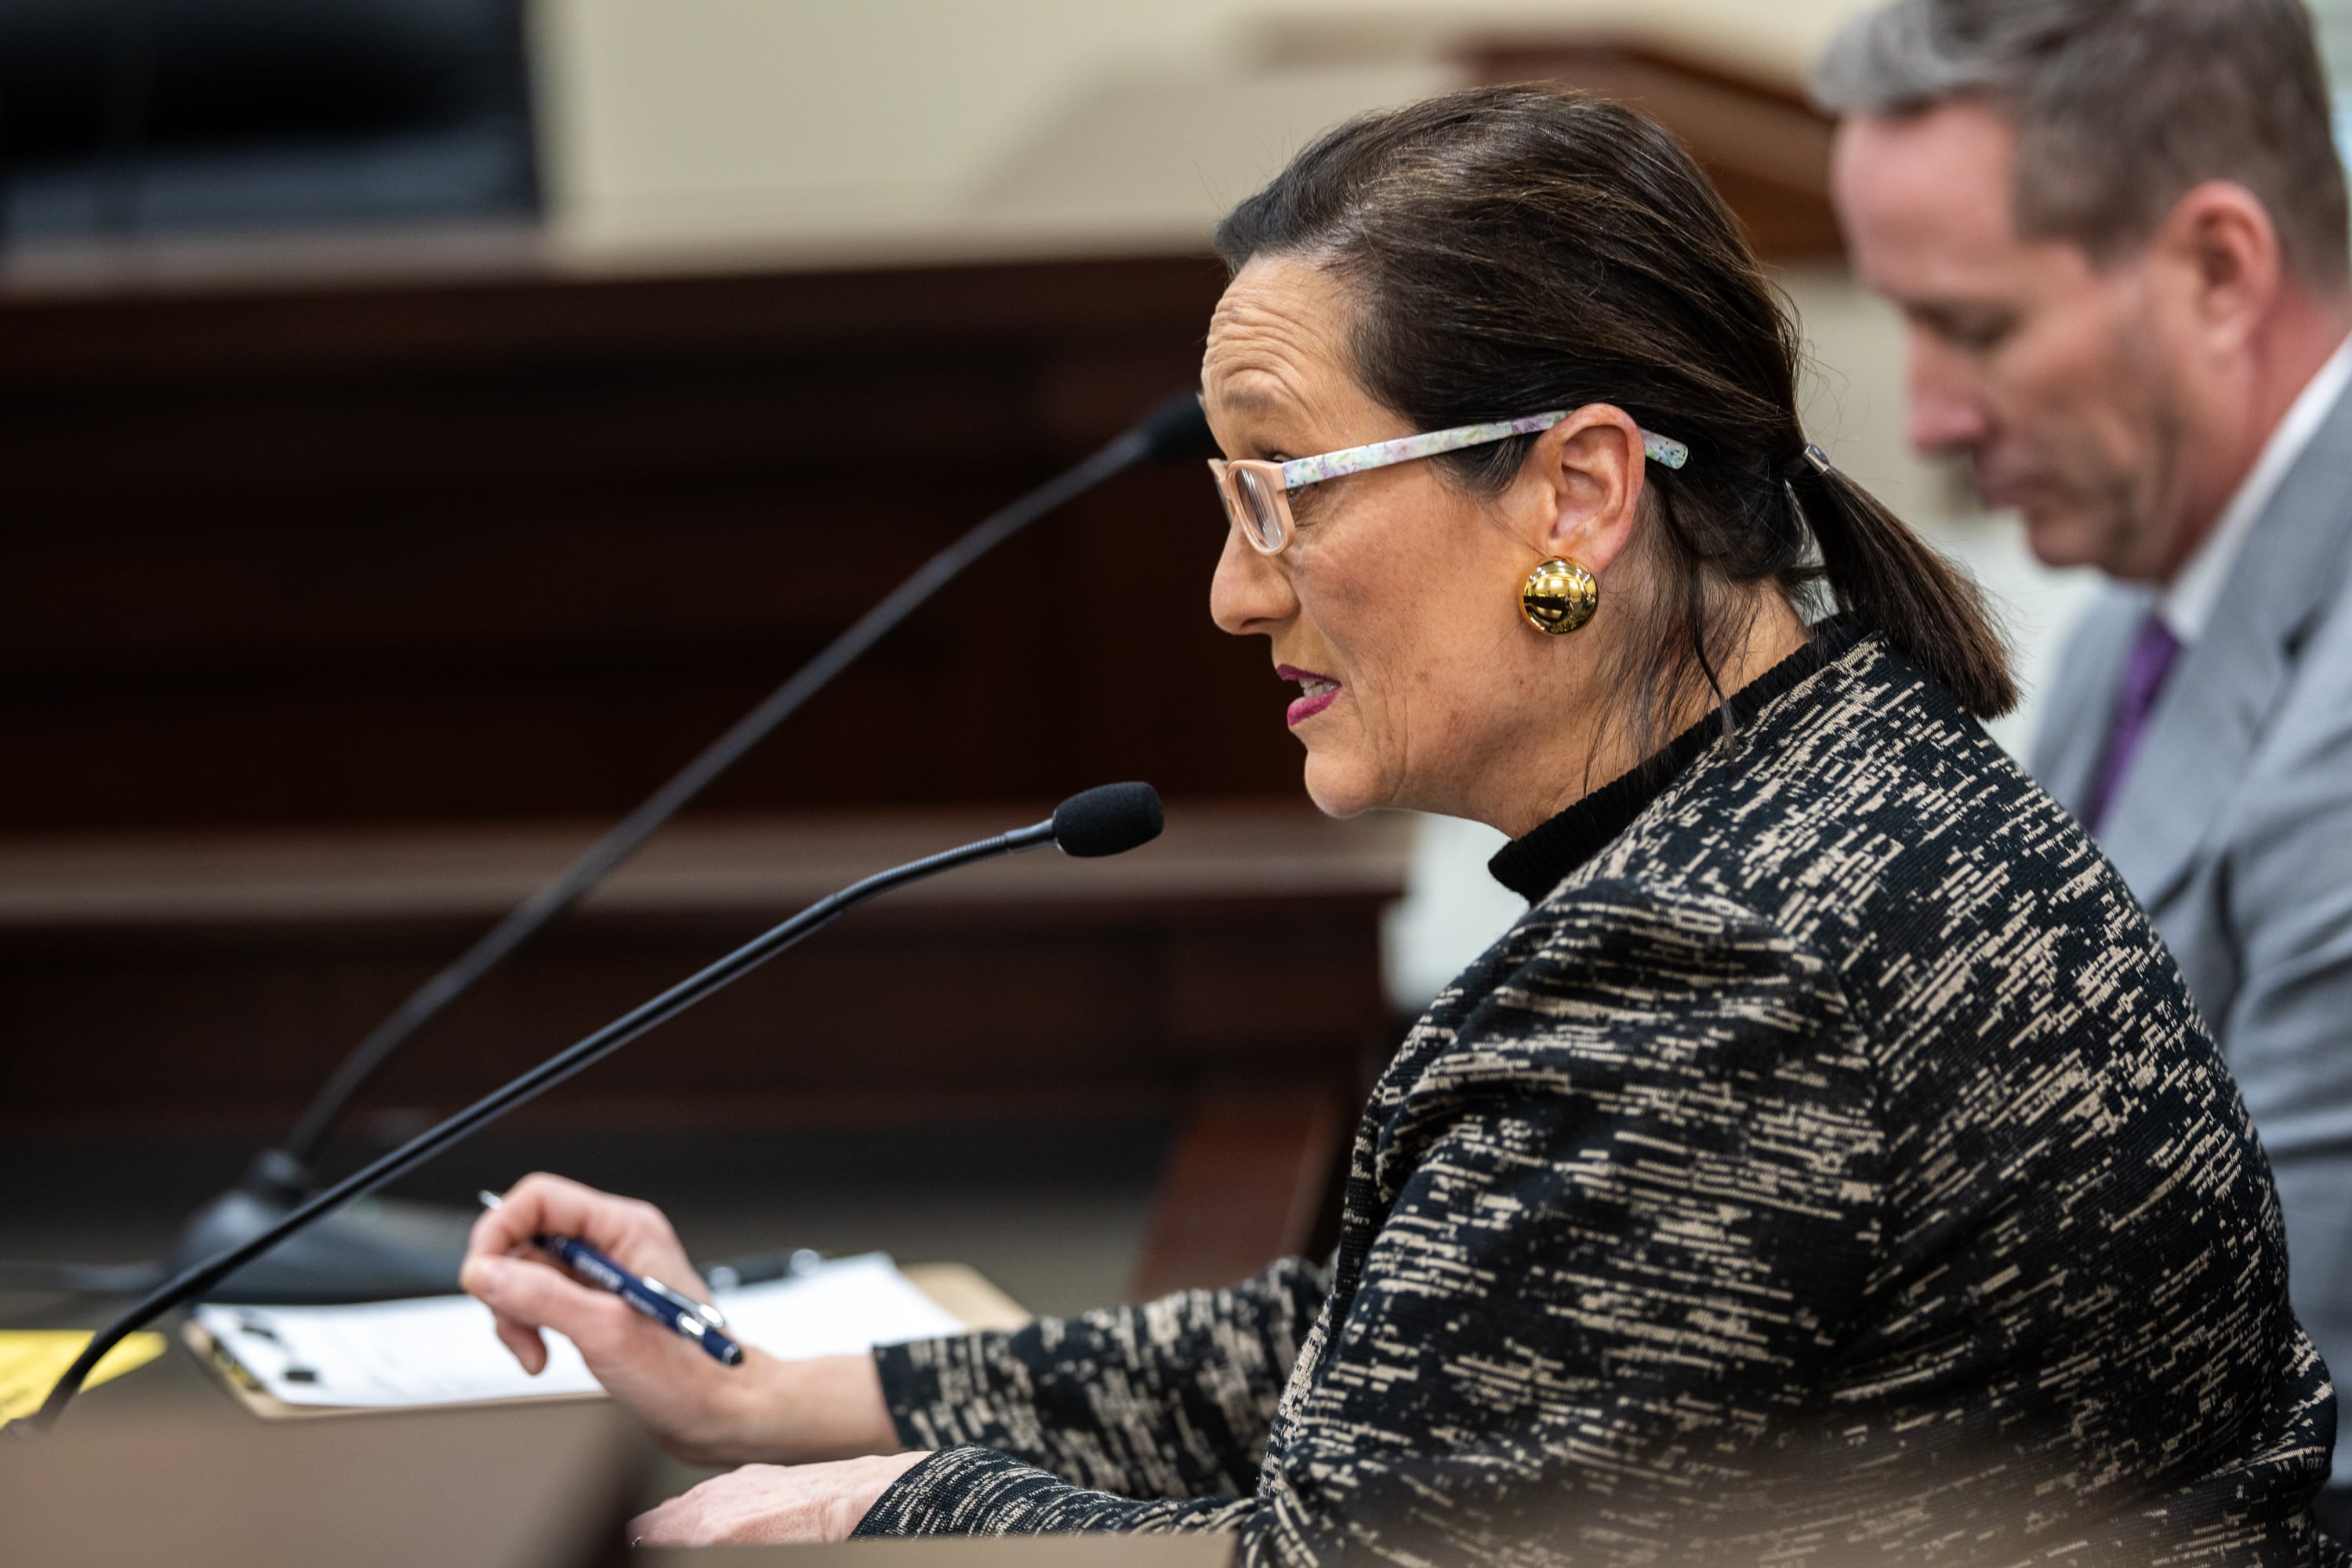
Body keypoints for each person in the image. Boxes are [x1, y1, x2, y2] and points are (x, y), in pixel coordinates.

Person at [460, 86, 2343, 1562]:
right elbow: (1398, 1349)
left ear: (1578, 493)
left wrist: (879, 1513)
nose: (1230, 592)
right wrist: (769, 1396)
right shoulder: (1832, 790)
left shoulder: (1714, 974)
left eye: (1283, 493)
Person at [1814, 0, 2352, 1532]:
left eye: (1976, 328)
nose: (1926, 414)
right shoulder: (2145, 581)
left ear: (2217, 271)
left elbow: (2278, 1392)